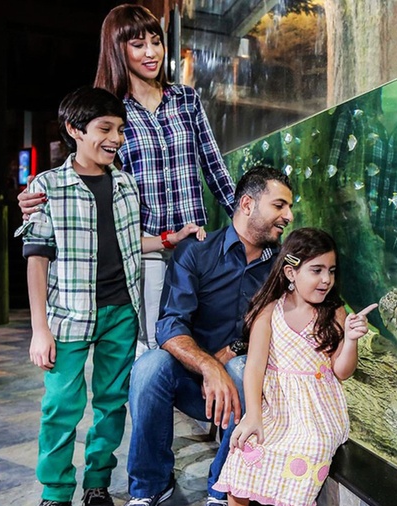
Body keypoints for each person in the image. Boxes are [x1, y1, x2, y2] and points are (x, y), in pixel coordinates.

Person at [17, 86, 201, 506]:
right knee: (61, 404)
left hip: (121, 311)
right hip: (70, 315)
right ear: (75, 130)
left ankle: (98, 483)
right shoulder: (47, 187)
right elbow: (37, 259)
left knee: (111, 403)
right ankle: (56, 491)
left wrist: (170, 239)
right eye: (105, 128)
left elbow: (128, 241)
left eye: (120, 129)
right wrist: (39, 329)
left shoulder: (124, 184)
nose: (116, 137)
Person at [19, 4, 237, 358]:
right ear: (117, 49)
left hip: (195, 246)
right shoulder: (110, 114)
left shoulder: (186, 100)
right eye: (138, 44)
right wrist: (33, 200)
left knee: (199, 342)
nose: (151, 52)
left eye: (156, 42)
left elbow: (214, 168)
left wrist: (246, 222)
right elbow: (84, 179)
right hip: (143, 252)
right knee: (155, 349)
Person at [119, 165, 294, 506]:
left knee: (243, 367)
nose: (287, 216)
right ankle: (150, 485)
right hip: (190, 381)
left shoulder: (281, 267)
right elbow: (169, 325)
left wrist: (233, 351)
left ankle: (223, 486)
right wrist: (209, 365)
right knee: (149, 366)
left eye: (288, 208)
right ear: (247, 204)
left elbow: (284, 331)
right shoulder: (195, 253)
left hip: (243, 386)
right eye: (279, 206)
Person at [212, 228, 378, 506]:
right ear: (290, 272)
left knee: (308, 447)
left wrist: (351, 340)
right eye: (316, 270)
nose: (326, 279)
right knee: (245, 447)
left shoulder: (334, 313)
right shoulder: (269, 311)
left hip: (318, 413)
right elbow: (254, 366)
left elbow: (342, 371)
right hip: (277, 407)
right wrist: (253, 415)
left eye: (331, 271)